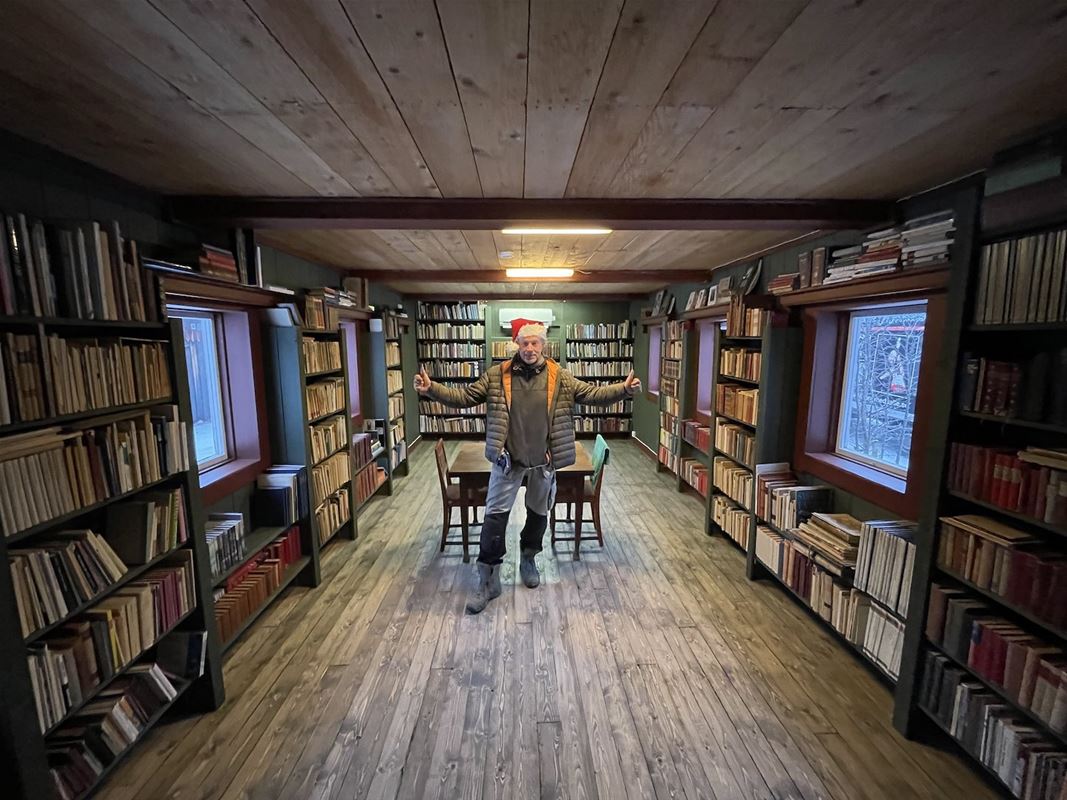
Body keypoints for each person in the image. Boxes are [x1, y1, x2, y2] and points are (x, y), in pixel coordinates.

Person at [414, 319, 641, 614]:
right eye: (525, 343)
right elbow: (465, 397)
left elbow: (591, 395)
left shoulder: (561, 377)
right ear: (517, 345)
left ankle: (528, 558)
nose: (530, 348)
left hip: (542, 463)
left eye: (535, 343)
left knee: (537, 515)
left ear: (543, 345)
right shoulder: (498, 375)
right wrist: (432, 389)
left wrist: (623, 389)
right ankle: (488, 578)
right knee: (494, 518)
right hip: (507, 462)